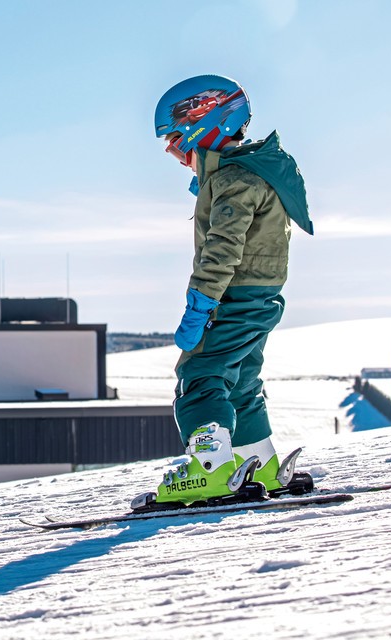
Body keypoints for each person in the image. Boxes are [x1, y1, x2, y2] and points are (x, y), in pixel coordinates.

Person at [144, 74, 314, 508]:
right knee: (239, 383)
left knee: (200, 376)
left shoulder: (235, 178)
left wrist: (201, 301)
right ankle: (258, 462)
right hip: (260, 296)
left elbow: (223, 247)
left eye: (176, 138)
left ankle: (210, 470)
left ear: (206, 123)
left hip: (233, 296)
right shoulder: (250, 171)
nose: (171, 150)